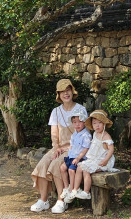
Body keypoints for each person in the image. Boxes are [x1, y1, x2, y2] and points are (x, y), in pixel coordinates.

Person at [30, 78, 88, 213]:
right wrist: (56, 148)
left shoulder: (81, 109)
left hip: (74, 149)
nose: (66, 94)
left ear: (72, 91)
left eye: (68, 90)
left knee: (56, 164)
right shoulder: (56, 111)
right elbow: (54, 133)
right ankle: (43, 200)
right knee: (43, 163)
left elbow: (85, 135)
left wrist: (67, 148)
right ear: (59, 95)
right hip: (59, 147)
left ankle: (62, 200)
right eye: (62, 91)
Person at [66, 109, 116, 204]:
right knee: (80, 167)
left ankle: (86, 192)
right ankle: (75, 189)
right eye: (94, 123)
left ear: (104, 124)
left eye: (100, 123)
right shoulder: (95, 133)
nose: (97, 125)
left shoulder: (106, 136)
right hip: (94, 159)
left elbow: (111, 149)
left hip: (102, 161)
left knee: (86, 170)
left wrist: (106, 160)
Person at [58, 112, 91, 209]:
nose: (77, 124)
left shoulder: (86, 135)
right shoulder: (74, 135)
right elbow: (72, 146)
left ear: (84, 122)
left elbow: (85, 149)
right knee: (62, 167)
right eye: (75, 122)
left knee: (71, 170)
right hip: (71, 157)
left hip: (79, 158)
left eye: (80, 122)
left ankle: (72, 190)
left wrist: (78, 158)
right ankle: (66, 187)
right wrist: (65, 149)